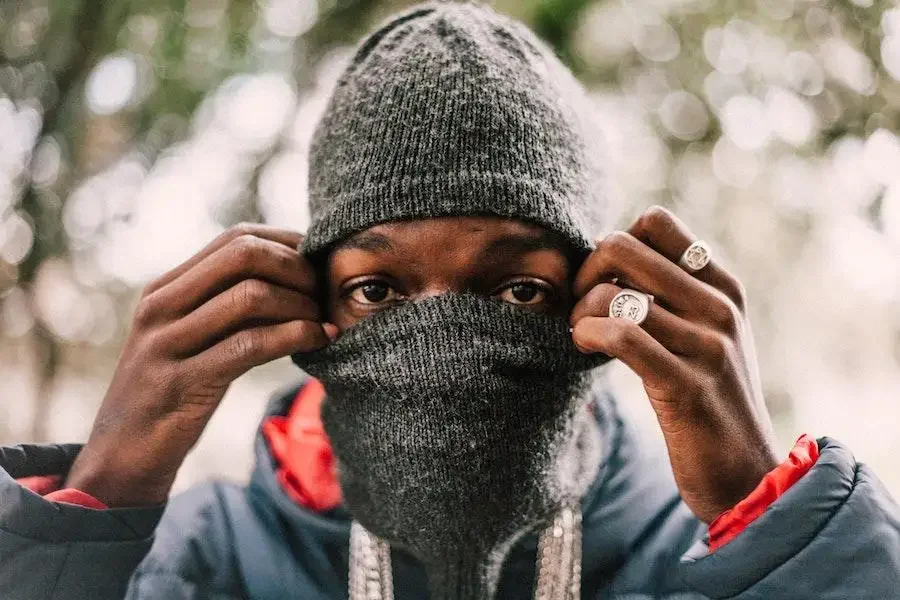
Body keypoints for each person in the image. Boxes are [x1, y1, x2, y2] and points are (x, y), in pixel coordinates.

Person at [2, 2, 898, 599]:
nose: (441, 338)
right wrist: (97, 502)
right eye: (376, 288)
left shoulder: (701, 556)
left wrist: (765, 516)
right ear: (311, 302)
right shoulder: (200, 559)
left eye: (519, 287)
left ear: (604, 300)